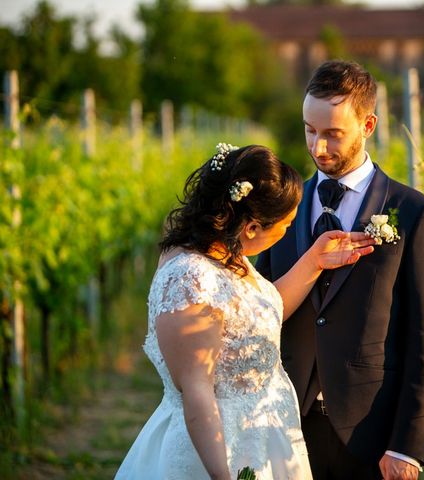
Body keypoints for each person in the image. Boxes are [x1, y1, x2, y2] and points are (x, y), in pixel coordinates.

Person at [115, 143, 375, 480]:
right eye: (284, 225)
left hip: (265, 438)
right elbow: (197, 392)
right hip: (220, 448)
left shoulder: (223, 253)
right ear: (251, 227)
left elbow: (255, 317)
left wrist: (315, 261)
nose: (285, 233)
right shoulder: (190, 279)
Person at [256, 61, 424, 480]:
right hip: (285, 424)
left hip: (373, 437)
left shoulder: (415, 213)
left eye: (332, 134)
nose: (317, 147)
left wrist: (408, 446)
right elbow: (261, 305)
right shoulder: (284, 208)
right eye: (310, 129)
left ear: (368, 125)